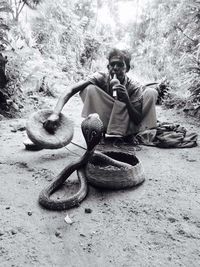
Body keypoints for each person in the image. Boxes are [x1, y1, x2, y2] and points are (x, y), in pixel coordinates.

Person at [44, 48, 159, 139]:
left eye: (120, 65)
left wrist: (127, 100)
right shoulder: (100, 77)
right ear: (108, 67)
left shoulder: (133, 86)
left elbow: (137, 119)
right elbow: (70, 90)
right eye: (112, 64)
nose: (115, 68)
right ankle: (100, 129)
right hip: (107, 118)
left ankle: (133, 134)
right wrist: (55, 114)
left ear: (127, 69)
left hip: (127, 124)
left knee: (151, 92)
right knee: (89, 88)